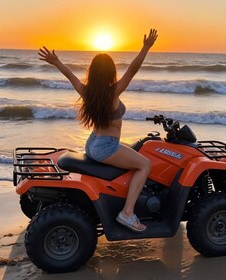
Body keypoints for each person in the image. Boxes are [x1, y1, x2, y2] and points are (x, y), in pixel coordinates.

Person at [38, 29, 158, 232]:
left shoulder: (87, 92)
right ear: (111, 72)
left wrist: (56, 62)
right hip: (106, 147)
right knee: (145, 165)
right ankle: (127, 213)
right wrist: (145, 48)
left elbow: (70, 75)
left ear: (92, 72)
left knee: (135, 152)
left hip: (92, 143)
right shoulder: (113, 92)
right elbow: (132, 70)